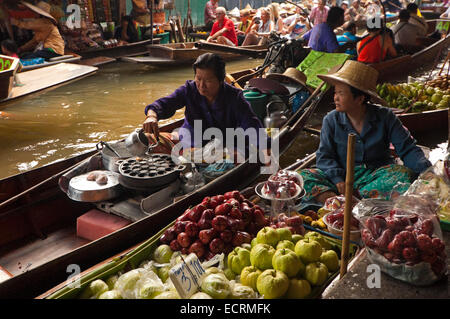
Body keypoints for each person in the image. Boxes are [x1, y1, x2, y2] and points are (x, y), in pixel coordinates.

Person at [298, 60, 431, 203]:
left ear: (359, 99)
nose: (335, 98)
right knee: (302, 177)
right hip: (342, 177)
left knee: (402, 174)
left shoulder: (385, 117)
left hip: (375, 176)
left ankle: (348, 202)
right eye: (335, 92)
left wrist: (427, 173)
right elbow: (325, 157)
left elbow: (408, 149)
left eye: (341, 93)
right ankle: (338, 202)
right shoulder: (331, 120)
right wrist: (337, 179)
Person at [143, 53, 269, 161]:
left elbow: (252, 125)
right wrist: (151, 116)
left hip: (223, 145)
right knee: (147, 139)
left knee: (238, 155)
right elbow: (164, 104)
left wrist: (266, 149)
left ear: (221, 80)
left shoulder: (234, 97)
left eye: (208, 81)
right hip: (192, 142)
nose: (201, 86)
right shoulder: (189, 89)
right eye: (198, 78)